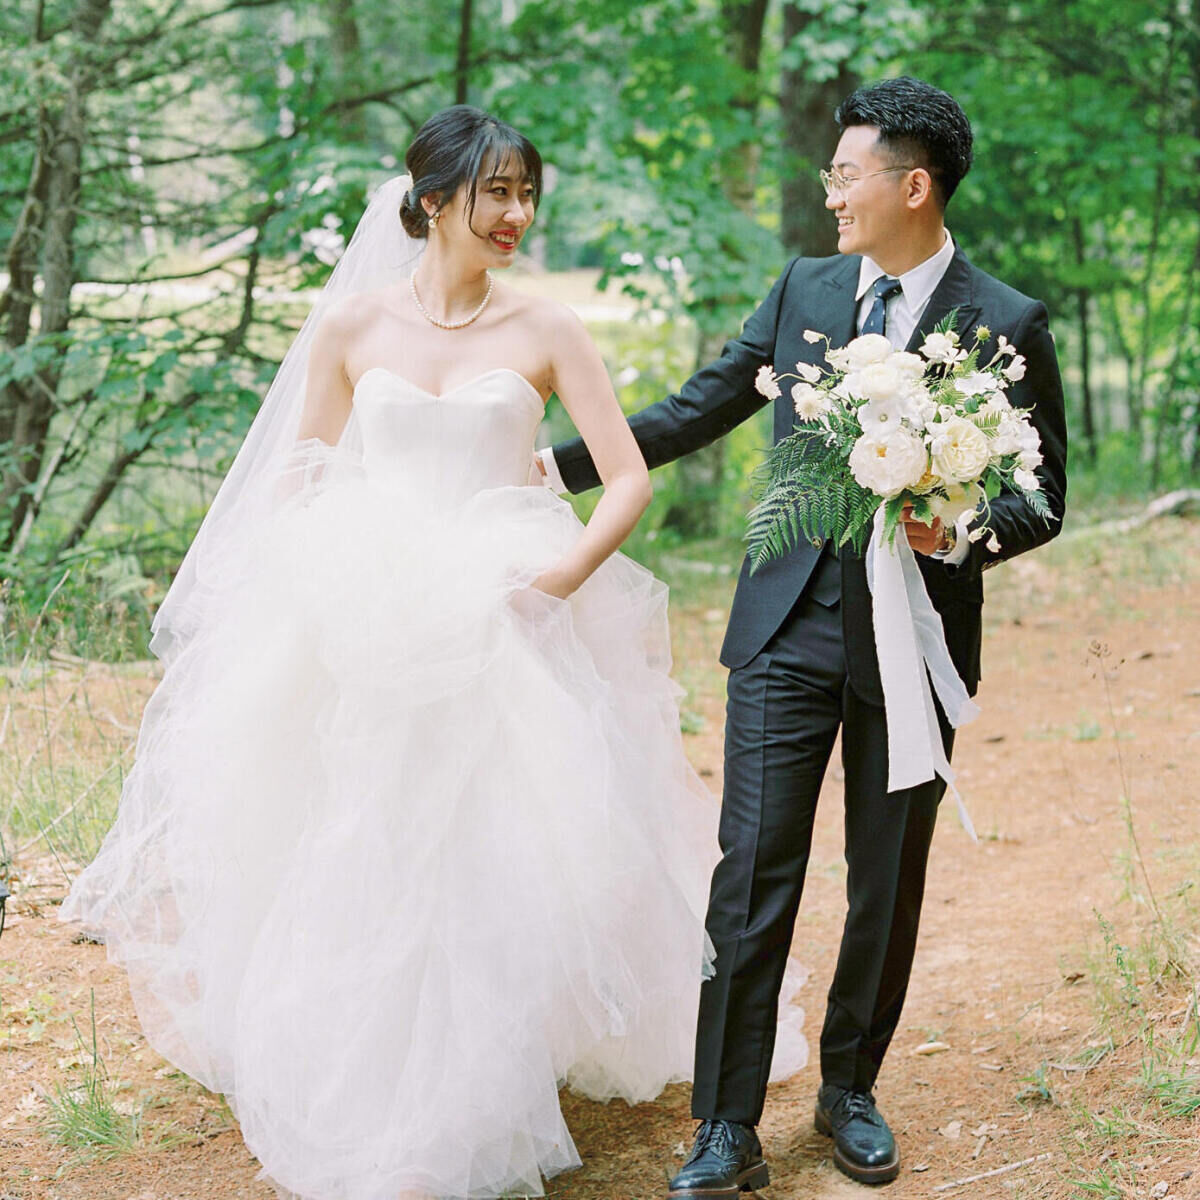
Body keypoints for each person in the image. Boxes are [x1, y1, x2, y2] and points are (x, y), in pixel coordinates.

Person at [59, 106, 807, 1200]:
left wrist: (554, 580)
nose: (517, 215)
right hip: (375, 611)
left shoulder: (547, 330)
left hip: (506, 613)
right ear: (430, 199)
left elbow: (629, 476)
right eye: (495, 193)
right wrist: (324, 581)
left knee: (502, 849)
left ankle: (489, 1072)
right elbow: (298, 474)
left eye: (525, 193)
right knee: (363, 836)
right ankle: (369, 1073)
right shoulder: (352, 328)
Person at [538, 77, 1068, 1193]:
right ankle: (725, 1128)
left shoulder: (1005, 322)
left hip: (912, 644)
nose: (830, 193)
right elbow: (702, 404)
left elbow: (1041, 497)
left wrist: (952, 525)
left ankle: (848, 1090)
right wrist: (560, 464)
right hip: (784, 630)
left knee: (886, 877)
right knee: (751, 874)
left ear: (911, 186)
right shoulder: (807, 287)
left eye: (846, 173)